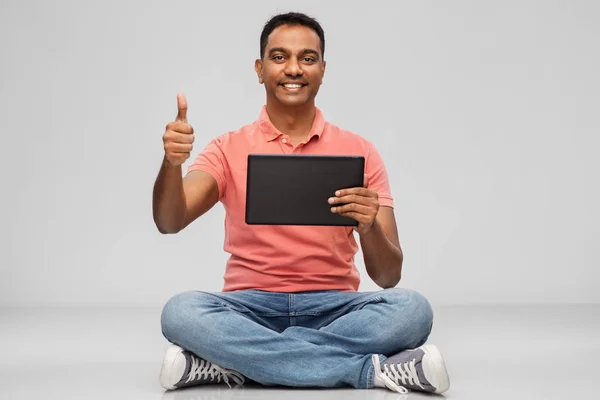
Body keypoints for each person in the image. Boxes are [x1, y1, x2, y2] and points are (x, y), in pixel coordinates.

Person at [152, 12, 450, 396]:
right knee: (180, 312)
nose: (293, 68)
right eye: (279, 57)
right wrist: (171, 164)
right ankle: (369, 371)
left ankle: (233, 361)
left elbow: (389, 276)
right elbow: (169, 221)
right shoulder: (227, 149)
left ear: (323, 70)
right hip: (249, 308)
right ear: (260, 69)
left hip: (334, 309)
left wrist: (369, 225)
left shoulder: (360, 152)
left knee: (412, 309)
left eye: (307, 59)